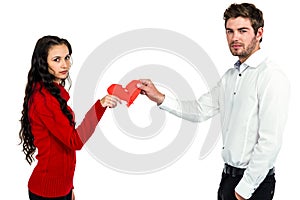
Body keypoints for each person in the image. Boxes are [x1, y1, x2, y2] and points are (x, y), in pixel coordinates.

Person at [137, 3, 290, 200]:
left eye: (243, 31)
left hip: (253, 185)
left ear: (259, 32)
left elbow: (270, 141)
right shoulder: (230, 77)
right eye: (230, 31)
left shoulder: (271, 76)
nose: (235, 38)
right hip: (228, 178)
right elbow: (200, 110)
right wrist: (159, 97)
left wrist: (245, 189)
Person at [19, 35, 121, 200]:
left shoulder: (51, 93)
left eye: (67, 57)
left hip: (61, 189)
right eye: (56, 59)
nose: (65, 64)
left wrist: (68, 187)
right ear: (43, 63)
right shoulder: (44, 99)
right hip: (48, 193)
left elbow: (62, 149)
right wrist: (99, 106)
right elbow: (75, 141)